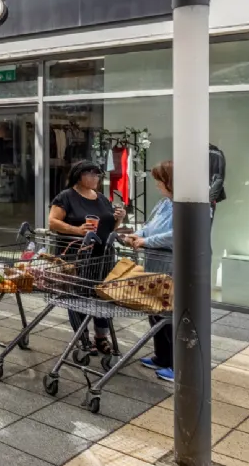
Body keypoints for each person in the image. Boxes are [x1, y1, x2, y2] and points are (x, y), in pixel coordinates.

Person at [48, 160, 126, 355]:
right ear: (79, 175)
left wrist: (119, 218)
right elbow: (53, 222)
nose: (95, 178)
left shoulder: (101, 198)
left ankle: (101, 336)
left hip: (103, 256)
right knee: (78, 296)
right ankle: (81, 337)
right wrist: (77, 230)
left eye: (97, 175)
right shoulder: (66, 197)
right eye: (90, 174)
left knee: (103, 296)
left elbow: (110, 228)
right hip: (77, 255)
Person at [127, 161, 177, 382]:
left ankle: (178, 365)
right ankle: (162, 356)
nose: (157, 186)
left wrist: (146, 241)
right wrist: (136, 235)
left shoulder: (187, 207)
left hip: (171, 266)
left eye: (160, 181)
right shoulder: (164, 203)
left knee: (170, 315)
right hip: (154, 264)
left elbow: (176, 236)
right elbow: (148, 226)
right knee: (154, 311)